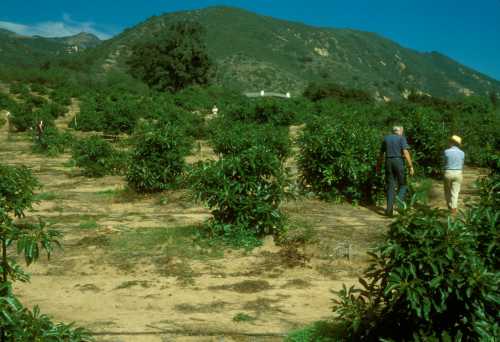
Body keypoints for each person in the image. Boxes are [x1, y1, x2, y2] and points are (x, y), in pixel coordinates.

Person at [376, 125, 414, 217]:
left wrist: (378, 167)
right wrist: (411, 166)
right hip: (398, 161)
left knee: (390, 186)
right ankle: (398, 202)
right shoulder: (401, 138)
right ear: (399, 131)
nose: (402, 132)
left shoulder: (386, 139)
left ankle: (389, 211)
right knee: (403, 184)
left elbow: (381, 154)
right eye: (402, 131)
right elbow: (405, 152)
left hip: (388, 162)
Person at [443, 135, 464, 215]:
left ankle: (449, 207)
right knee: (455, 192)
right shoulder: (462, 153)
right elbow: (461, 164)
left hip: (448, 172)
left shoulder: (446, 151)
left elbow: (444, 163)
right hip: (458, 172)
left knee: (447, 191)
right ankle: (453, 210)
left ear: (452, 142)